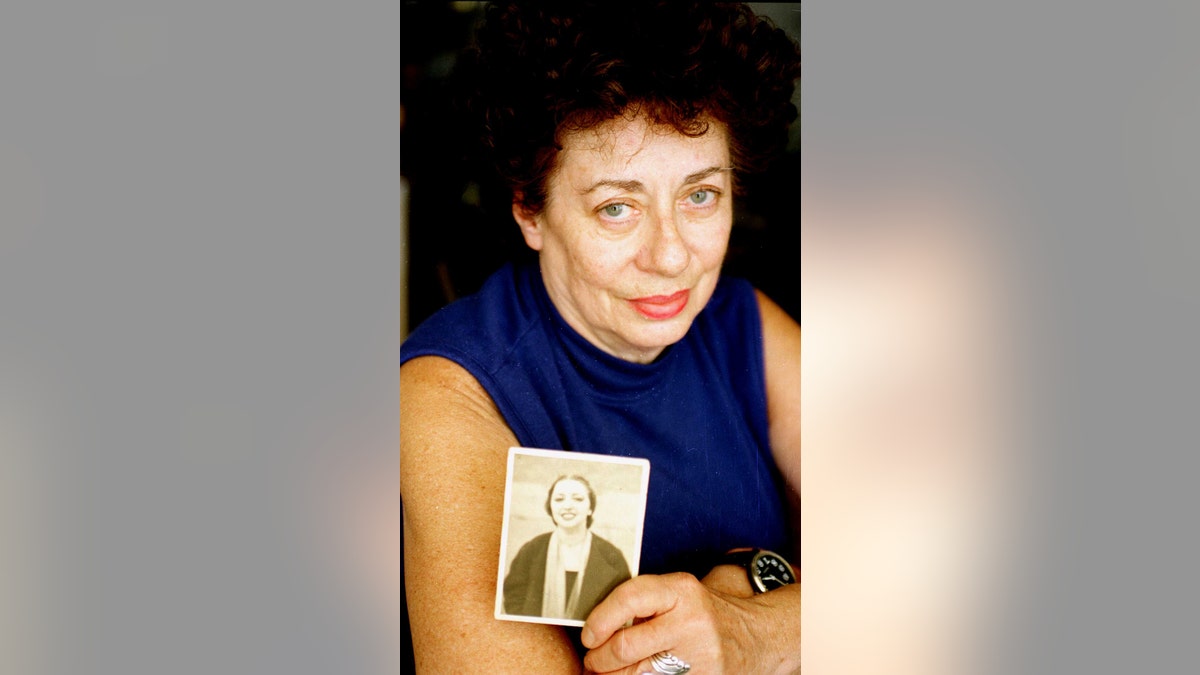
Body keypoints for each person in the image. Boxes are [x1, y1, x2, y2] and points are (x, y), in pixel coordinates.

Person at [400, 1, 801, 672]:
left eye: (700, 195)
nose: (672, 255)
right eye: (618, 207)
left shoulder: (742, 324)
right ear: (530, 208)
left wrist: (752, 613)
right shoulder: (446, 392)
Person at [502, 475, 632, 621]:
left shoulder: (611, 556)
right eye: (559, 499)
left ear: (590, 508)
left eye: (578, 499)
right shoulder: (532, 550)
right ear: (550, 508)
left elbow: (624, 604)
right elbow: (513, 596)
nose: (568, 505)